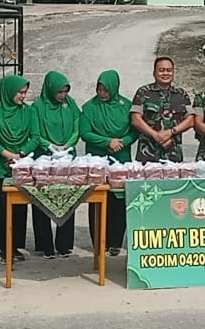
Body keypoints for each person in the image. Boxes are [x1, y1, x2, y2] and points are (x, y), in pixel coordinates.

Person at [80, 70, 136, 255]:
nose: (102, 93)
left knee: (117, 200)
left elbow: (135, 130)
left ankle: (115, 242)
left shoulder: (126, 106)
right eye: (100, 89)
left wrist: (122, 142)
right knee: (97, 198)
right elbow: (85, 132)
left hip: (120, 159)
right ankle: (98, 242)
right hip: (97, 160)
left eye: (106, 90)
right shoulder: (89, 107)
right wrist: (107, 142)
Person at [31, 70, 82, 258]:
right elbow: (35, 131)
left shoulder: (70, 104)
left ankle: (64, 244)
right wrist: (50, 146)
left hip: (67, 157)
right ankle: (45, 245)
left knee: (68, 197)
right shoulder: (38, 106)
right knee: (42, 199)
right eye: (59, 92)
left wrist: (67, 145)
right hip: (44, 158)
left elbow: (78, 126)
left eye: (65, 91)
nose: (62, 95)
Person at [0, 75, 35, 263]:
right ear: (8, 91)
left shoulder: (28, 112)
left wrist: (22, 153)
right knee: (0, 209)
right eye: (20, 92)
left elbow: (35, 136)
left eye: (25, 93)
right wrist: (7, 154)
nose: (23, 96)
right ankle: (3, 248)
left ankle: (15, 247)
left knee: (19, 208)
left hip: (21, 167)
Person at [130, 57, 194, 163]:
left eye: (169, 70)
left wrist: (171, 132)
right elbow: (135, 119)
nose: (165, 73)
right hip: (147, 156)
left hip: (173, 156)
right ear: (154, 73)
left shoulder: (181, 94)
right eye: (161, 70)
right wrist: (156, 135)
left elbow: (191, 120)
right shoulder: (143, 92)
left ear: (173, 73)